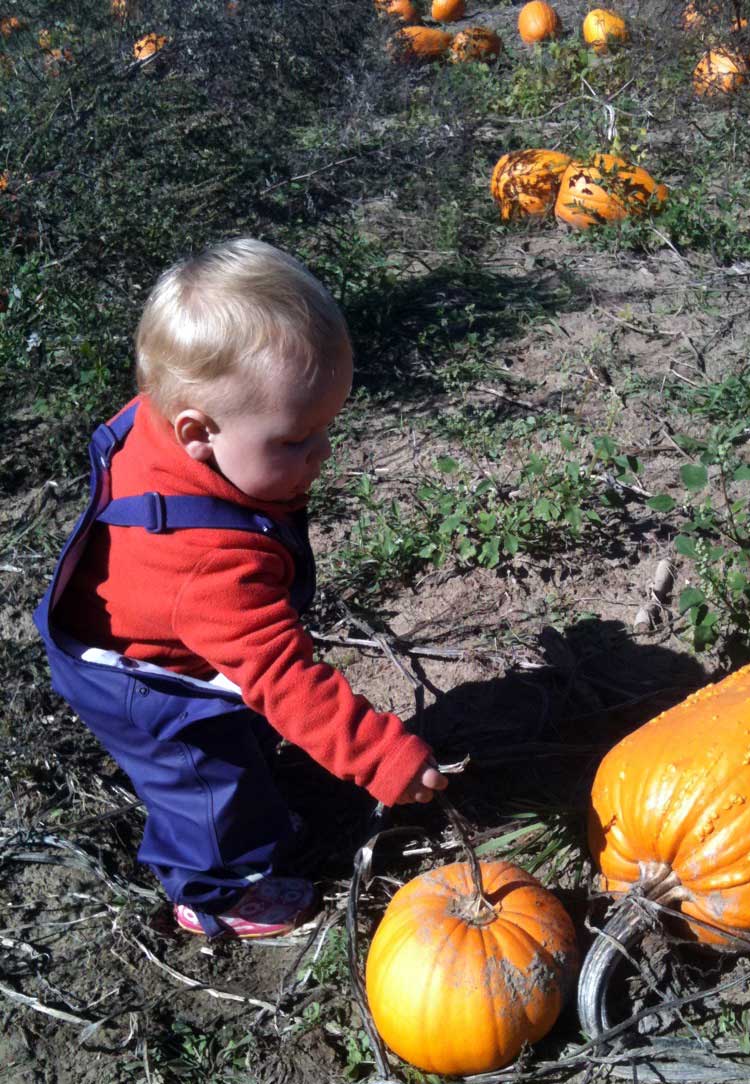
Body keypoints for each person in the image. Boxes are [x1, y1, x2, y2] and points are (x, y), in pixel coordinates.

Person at [34, 238, 447, 940]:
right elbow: (284, 678)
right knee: (205, 785)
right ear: (198, 431)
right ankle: (216, 892)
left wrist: (277, 456)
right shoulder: (210, 569)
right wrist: (379, 756)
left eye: (326, 429)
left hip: (166, 630)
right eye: (294, 440)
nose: (320, 454)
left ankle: (245, 817)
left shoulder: (174, 420)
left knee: (235, 753)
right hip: (146, 684)